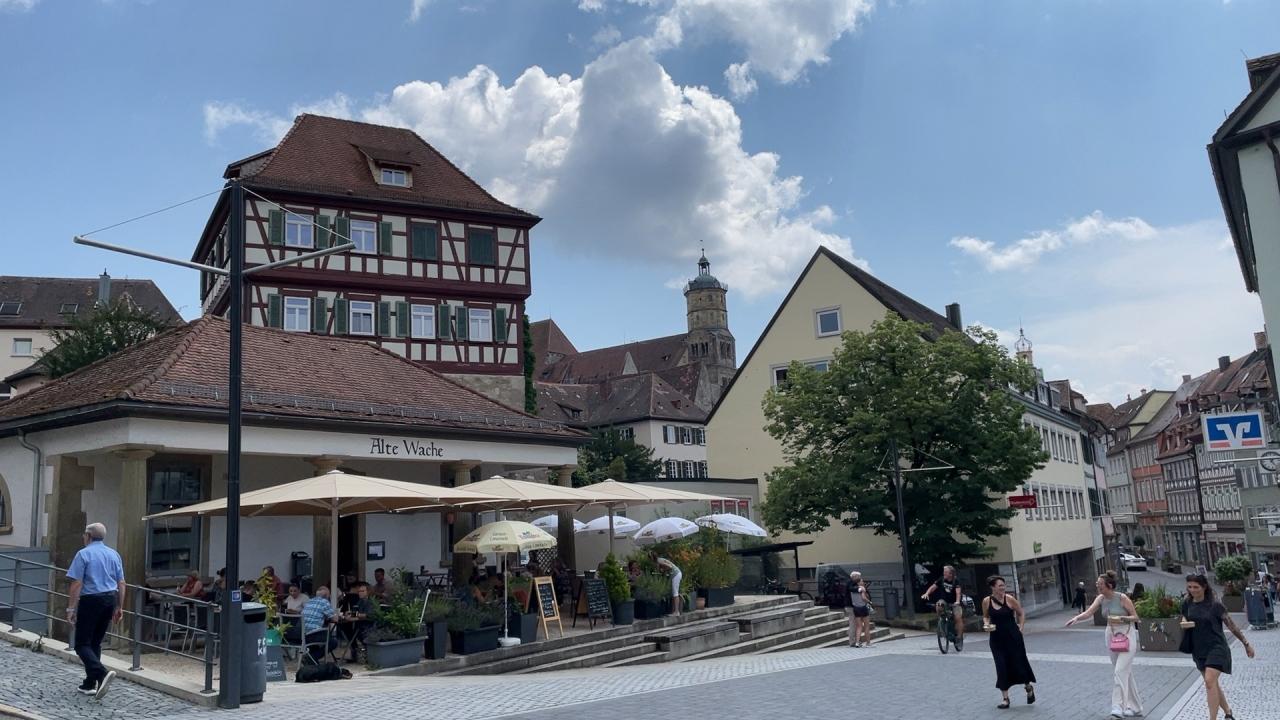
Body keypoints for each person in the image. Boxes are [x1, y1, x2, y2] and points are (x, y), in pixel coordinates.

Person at [1065, 571, 1142, 718]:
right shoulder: (1100, 598)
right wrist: (1076, 618)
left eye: (1100, 584)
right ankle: (1136, 707)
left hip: (1126, 634)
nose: (1098, 586)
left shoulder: (1122, 598)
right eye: (1097, 584)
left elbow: (1136, 617)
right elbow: (1089, 613)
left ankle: (1117, 706)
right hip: (1111, 634)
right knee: (1124, 672)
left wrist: (1121, 618)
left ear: (1109, 585)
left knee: (1120, 671)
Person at [1181, 573, 1256, 720]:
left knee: (1209, 681)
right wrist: (1184, 621)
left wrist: (1246, 644)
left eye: (1196, 587)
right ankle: (1228, 712)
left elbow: (1231, 625)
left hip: (1217, 647)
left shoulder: (1215, 605)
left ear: (1204, 587)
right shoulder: (1186, 603)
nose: (1192, 590)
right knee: (1212, 684)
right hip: (1198, 648)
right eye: (1190, 587)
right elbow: (1184, 615)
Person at [65, 523, 125, 699]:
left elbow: (77, 583)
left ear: (88, 536)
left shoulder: (83, 554)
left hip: (91, 600)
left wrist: (70, 608)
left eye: (84, 535)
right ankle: (90, 683)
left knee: (81, 644)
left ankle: (101, 673)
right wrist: (119, 606)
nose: (83, 537)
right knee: (95, 643)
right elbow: (122, 583)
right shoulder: (114, 554)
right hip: (110, 599)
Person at [983, 575, 1036, 709]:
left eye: (1003, 585)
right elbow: (986, 616)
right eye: (1000, 585)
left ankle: (1028, 687)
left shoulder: (1010, 599)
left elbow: (1021, 613)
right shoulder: (987, 601)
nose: (1003, 588)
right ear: (993, 587)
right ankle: (1005, 699)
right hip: (996, 639)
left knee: (1020, 664)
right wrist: (986, 624)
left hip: (1013, 638)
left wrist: (1021, 627)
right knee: (1001, 667)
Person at [921, 565, 964, 646]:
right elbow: (933, 587)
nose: (944, 573)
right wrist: (927, 593)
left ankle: (959, 636)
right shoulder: (942, 579)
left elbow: (958, 593)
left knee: (958, 617)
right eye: (944, 572)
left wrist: (957, 601)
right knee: (938, 604)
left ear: (951, 574)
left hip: (955, 602)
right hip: (944, 601)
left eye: (946, 572)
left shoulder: (956, 581)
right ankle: (942, 621)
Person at [300, 586, 338, 661]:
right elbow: (335, 619)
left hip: (300, 634)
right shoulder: (324, 602)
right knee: (333, 642)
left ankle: (312, 660)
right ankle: (312, 658)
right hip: (311, 635)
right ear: (327, 596)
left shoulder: (309, 601)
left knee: (317, 642)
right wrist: (337, 614)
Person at [341, 583, 375, 662]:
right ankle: (354, 652)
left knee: (351, 630)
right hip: (359, 625)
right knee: (346, 629)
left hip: (367, 626)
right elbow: (355, 612)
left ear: (368, 592)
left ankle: (361, 654)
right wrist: (349, 614)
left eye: (362, 591)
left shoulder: (371, 602)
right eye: (359, 591)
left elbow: (368, 615)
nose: (360, 593)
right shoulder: (360, 601)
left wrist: (354, 616)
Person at [847, 571, 873, 648]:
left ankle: (857, 642)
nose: (863, 582)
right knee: (866, 626)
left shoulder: (852, 590)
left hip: (856, 608)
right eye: (862, 581)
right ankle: (868, 643)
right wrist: (869, 602)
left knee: (859, 626)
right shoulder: (862, 589)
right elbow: (863, 598)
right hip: (863, 608)